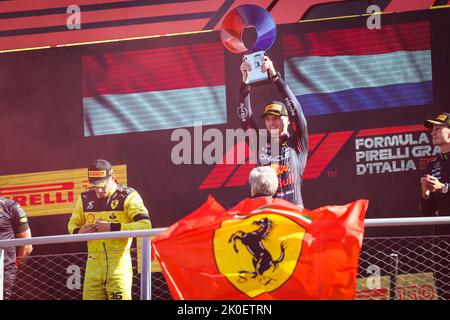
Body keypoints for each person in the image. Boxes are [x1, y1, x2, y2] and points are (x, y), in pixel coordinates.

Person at [68, 159, 151, 300]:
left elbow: (145, 225)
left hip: (118, 267)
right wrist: (78, 232)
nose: (98, 190)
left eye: (102, 185)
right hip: (93, 267)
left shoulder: (128, 196)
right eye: (94, 186)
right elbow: (72, 223)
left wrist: (113, 228)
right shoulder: (84, 198)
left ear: (113, 178)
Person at [237, 55, 308, 208]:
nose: (271, 122)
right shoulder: (260, 143)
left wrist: (275, 77)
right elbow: (245, 119)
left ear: (288, 120)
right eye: (268, 119)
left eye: (276, 117)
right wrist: (245, 83)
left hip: (293, 214)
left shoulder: (297, 142)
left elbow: (296, 109)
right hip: (268, 215)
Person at [420, 112, 450, 300]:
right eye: (432, 130)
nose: (433, 133)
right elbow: (428, 212)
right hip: (442, 238)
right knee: (444, 288)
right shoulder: (432, 166)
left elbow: (444, 189)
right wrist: (426, 194)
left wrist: (444, 188)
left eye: (438, 129)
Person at [0, 197, 33, 300]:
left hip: (4, 272)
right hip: (6, 271)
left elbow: (27, 246)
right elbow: (27, 247)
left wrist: (14, 267)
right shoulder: (9, 206)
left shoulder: (10, 206)